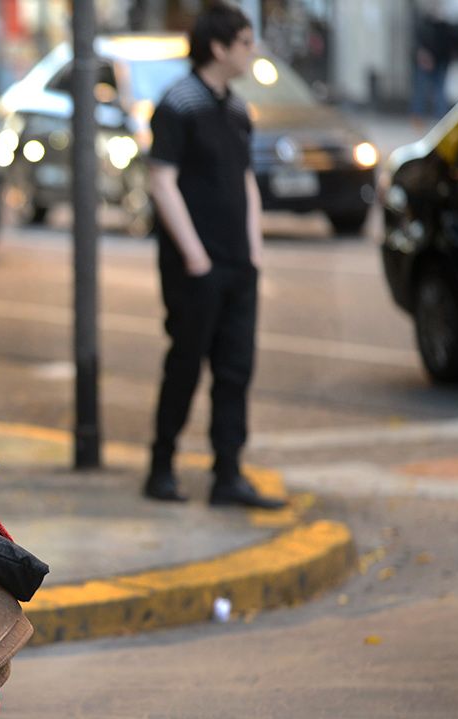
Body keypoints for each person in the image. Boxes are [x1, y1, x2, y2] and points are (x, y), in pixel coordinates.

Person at [141, 3, 285, 510]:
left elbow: (244, 180)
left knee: (235, 368)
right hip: (194, 266)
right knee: (185, 364)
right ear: (219, 47)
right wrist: (196, 256)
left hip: (237, 263)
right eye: (245, 42)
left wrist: (253, 247)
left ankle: (229, 474)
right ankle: (161, 467)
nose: (252, 50)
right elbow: (161, 181)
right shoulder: (178, 104)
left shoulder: (237, 108)